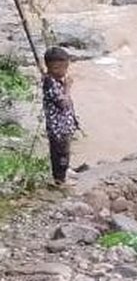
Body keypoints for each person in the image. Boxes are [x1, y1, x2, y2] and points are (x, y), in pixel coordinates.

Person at [42, 46, 79, 185]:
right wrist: (68, 87)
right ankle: (60, 179)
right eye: (64, 68)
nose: (65, 71)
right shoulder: (50, 83)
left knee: (64, 151)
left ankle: (64, 171)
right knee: (60, 154)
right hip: (58, 129)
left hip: (63, 126)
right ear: (55, 68)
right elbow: (63, 103)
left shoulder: (55, 81)